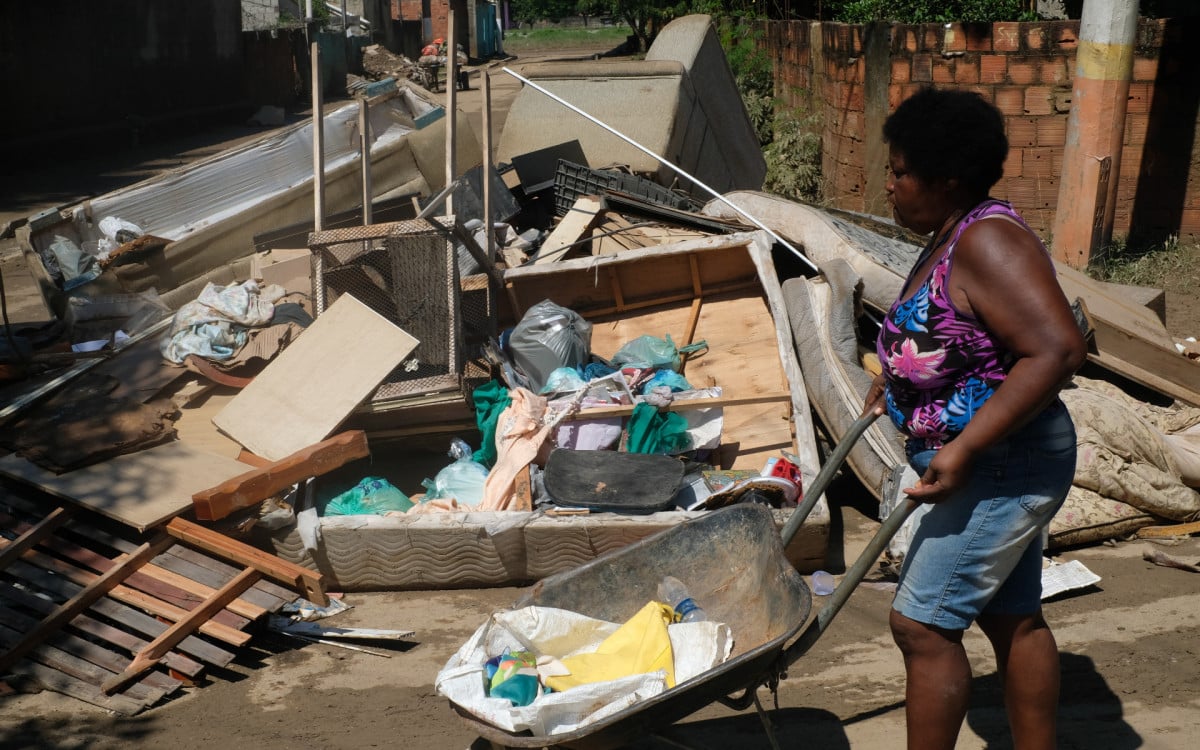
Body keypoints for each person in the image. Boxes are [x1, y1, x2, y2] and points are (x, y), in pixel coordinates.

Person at [862, 87, 1087, 750]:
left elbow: (1056, 349)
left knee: (922, 625)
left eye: (901, 171)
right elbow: (959, 337)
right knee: (1011, 615)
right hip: (990, 457)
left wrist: (963, 449)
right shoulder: (953, 232)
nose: (891, 184)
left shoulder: (987, 240)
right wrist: (898, 384)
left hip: (1001, 462)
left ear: (947, 178)